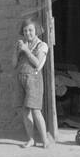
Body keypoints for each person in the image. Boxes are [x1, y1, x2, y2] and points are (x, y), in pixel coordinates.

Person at [16, 18, 51, 149]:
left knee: (36, 110)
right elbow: (14, 64)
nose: (28, 33)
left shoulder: (42, 45)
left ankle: (45, 140)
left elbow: (37, 63)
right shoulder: (23, 45)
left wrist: (25, 50)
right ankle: (30, 139)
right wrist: (18, 51)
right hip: (21, 79)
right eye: (25, 31)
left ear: (36, 30)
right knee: (25, 111)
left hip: (34, 80)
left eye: (30, 30)